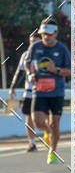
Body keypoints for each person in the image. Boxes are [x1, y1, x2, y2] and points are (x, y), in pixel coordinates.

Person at [25, 19, 70, 164]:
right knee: (37, 122)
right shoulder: (35, 47)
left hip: (57, 92)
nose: (46, 36)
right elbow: (27, 63)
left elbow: (70, 71)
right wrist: (30, 74)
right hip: (39, 91)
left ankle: (53, 151)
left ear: (56, 33)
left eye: (49, 33)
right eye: (43, 33)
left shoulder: (62, 49)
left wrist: (55, 70)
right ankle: (47, 132)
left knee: (54, 124)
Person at [9, 32, 41, 152]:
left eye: (37, 42)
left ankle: (48, 133)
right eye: (32, 42)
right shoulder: (26, 55)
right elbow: (19, 72)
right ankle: (31, 143)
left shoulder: (46, 53)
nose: (34, 44)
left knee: (41, 119)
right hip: (29, 91)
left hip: (44, 91)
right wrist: (13, 87)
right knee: (29, 117)